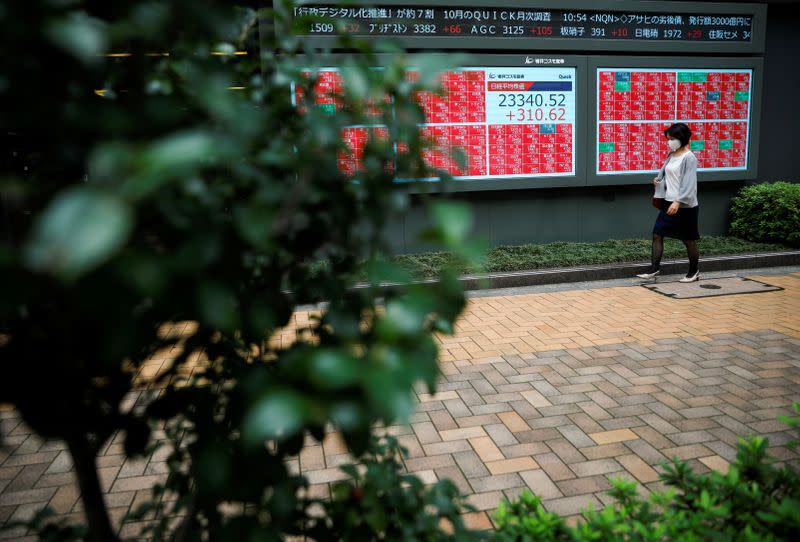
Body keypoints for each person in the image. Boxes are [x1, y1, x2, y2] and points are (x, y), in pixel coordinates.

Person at [636, 122, 700, 282]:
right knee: (657, 234)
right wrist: (659, 180)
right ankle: (654, 269)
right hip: (668, 202)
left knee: (688, 239)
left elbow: (689, 183)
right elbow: (667, 175)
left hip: (684, 206)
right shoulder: (671, 155)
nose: (669, 141)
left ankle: (694, 272)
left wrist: (678, 201)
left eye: (671, 138)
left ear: (681, 138)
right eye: (668, 138)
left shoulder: (689, 158)